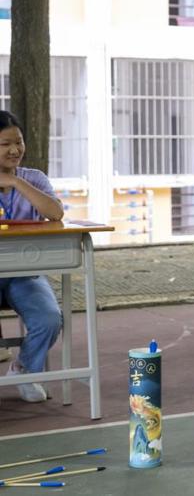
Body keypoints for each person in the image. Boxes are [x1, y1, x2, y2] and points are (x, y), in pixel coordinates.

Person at [0, 111, 66, 405]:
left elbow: (55, 213)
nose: (15, 150)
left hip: (25, 274)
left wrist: (15, 183)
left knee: (50, 319)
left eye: (18, 141)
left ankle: (23, 369)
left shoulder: (35, 178)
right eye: (5, 144)